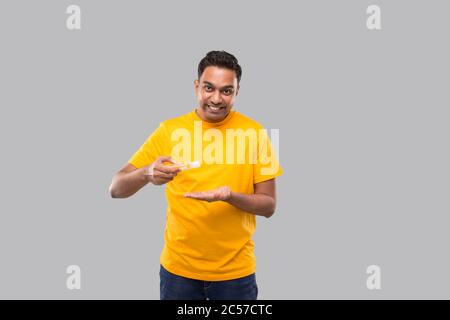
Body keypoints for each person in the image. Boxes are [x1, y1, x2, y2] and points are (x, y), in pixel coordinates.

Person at [109, 50, 283, 300]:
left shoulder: (254, 133)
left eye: (226, 90)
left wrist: (230, 196)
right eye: (208, 88)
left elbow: (268, 206)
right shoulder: (170, 130)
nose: (216, 98)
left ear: (237, 92)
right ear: (196, 86)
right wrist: (146, 174)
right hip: (178, 273)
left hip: (235, 275)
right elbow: (115, 188)